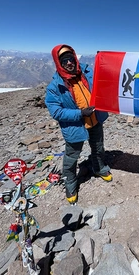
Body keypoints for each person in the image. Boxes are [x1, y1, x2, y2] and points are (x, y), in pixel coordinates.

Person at [45, 44, 112, 204]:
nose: (69, 63)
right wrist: (80, 113)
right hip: (75, 126)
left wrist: (104, 61)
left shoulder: (87, 72)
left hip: (95, 119)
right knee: (71, 156)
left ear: (75, 57)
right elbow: (56, 112)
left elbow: (104, 81)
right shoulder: (55, 87)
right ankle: (70, 183)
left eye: (70, 58)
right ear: (58, 63)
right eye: (64, 60)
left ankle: (99, 168)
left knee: (98, 147)